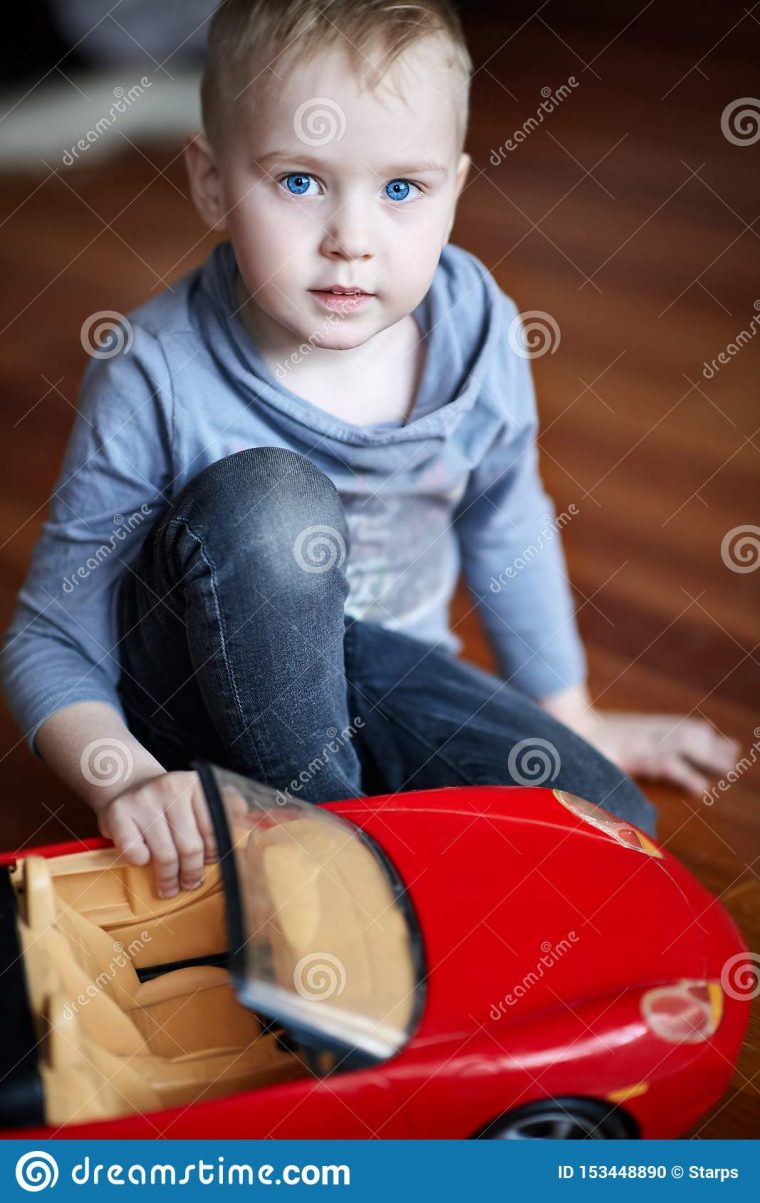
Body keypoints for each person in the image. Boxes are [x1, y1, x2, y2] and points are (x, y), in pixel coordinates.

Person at [1, 0, 739, 899]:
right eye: (301, 181)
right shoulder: (155, 369)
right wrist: (125, 775)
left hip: (381, 679)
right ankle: (334, 881)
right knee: (275, 505)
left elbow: (506, 514)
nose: (351, 239)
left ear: (455, 190)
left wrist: (567, 713)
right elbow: (49, 634)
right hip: (199, 695)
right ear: (208, 180)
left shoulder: (479, 332)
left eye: (401, 189)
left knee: (607, 827)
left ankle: (331, 847)